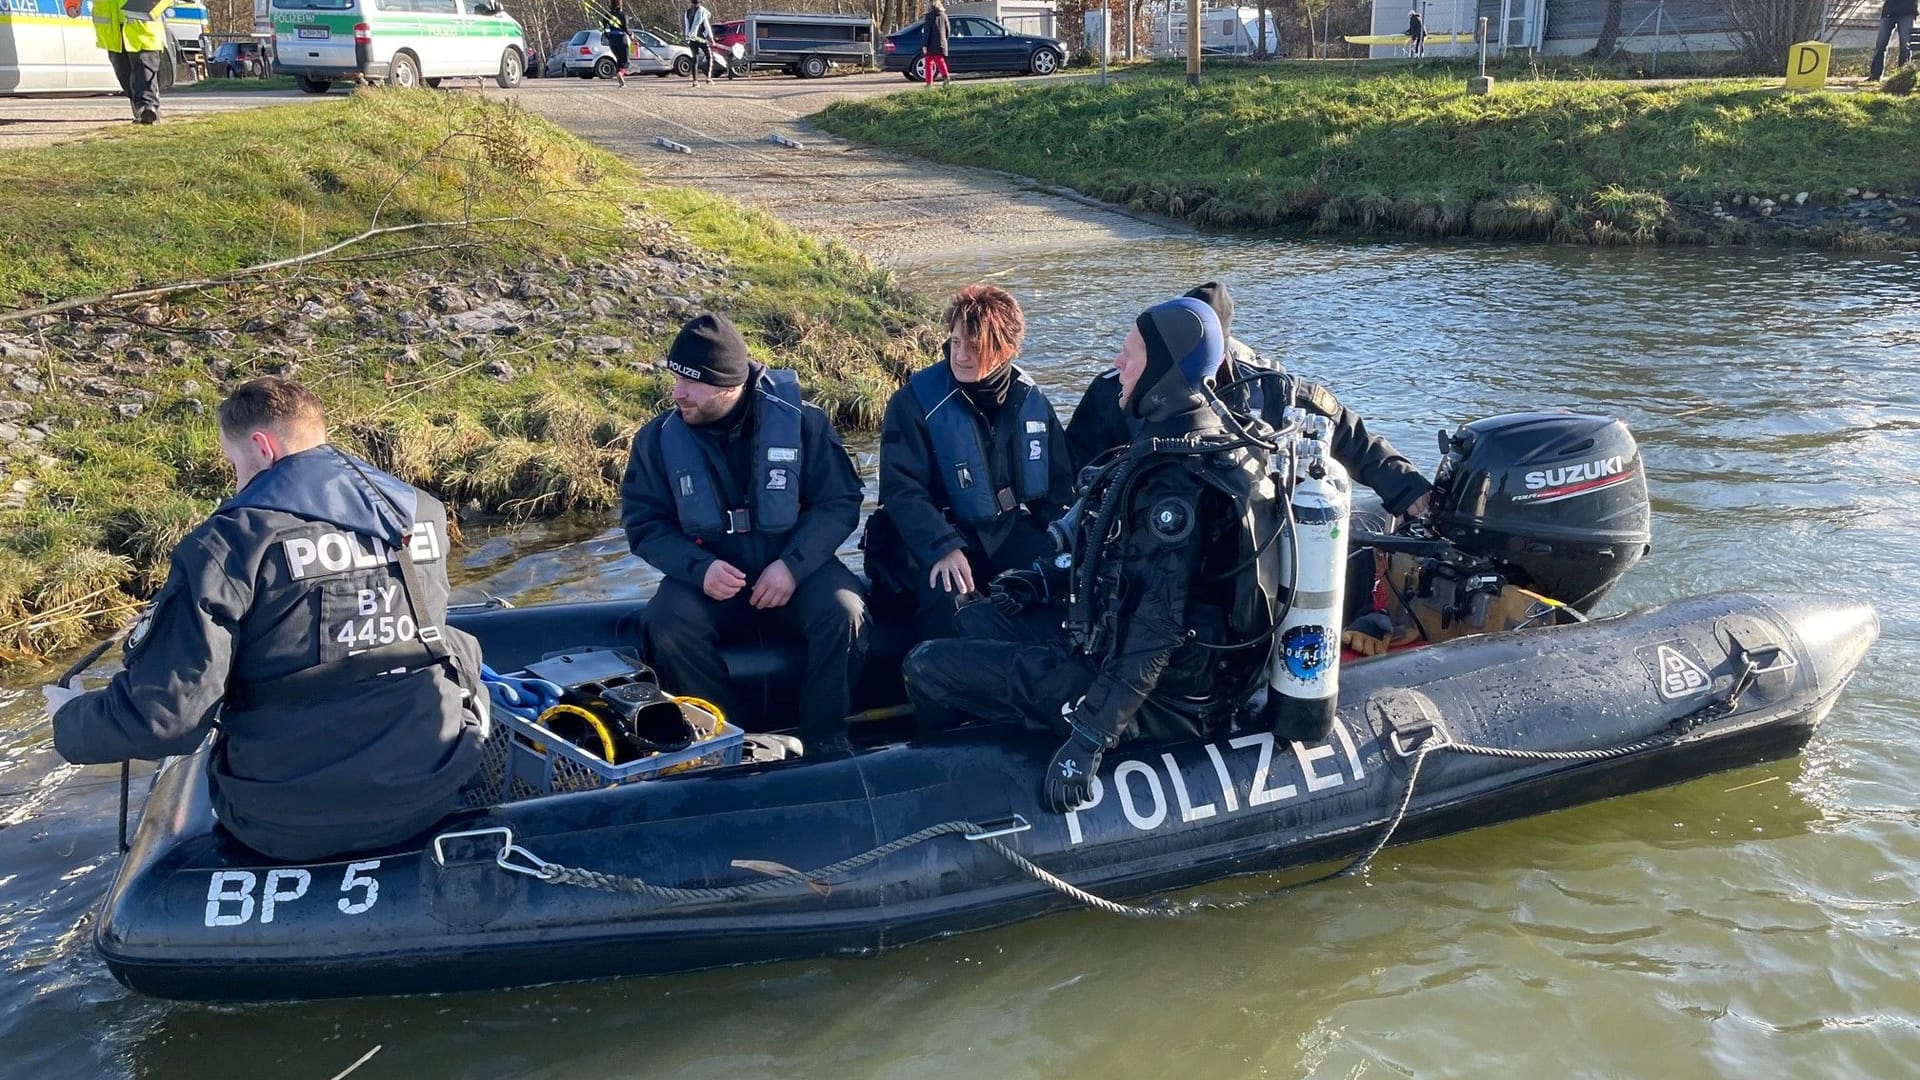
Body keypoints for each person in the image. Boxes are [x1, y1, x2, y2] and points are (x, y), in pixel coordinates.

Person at [45, 378, 488, 861]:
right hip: (434, 786)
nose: (237, 481)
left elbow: (166, 721)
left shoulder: (227, 544)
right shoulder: (421, 511)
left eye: (235, 465)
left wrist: (69, 720)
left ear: (261, 447)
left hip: (286, 821)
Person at [905, 297, 1285, 812]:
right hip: (1116, 650)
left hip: (1165, 700)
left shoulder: (1177, 487)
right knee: (975, 623)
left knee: (928, 666)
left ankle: (962, 789)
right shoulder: (1187, 444)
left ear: (1164, 371)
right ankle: (1013, 732)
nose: (1118, 364)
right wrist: (1045, 581)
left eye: (1131, 354)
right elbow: (1115, 560)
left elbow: (1157, 632)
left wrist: (1088, 741)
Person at [621, 314, 868, 757]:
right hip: (712, 578)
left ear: (727, 387)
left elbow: (840, 502)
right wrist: (700, 569)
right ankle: (725, 745)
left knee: (845, 611)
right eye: (675, 378)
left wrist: (792, 567)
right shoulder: (656, 440)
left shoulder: (802, 423)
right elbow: (645, 525)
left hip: (793, 571)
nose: (677, 393)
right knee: (667, 624)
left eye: (690, 384)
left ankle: (824, 742)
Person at [1065, 281, 1432, 521]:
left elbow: (1350, 437)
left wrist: (1409, 489)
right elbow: (1072, 473)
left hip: (1260, 530)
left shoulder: (1272, 389)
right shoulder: (1119, 388)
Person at [864, 285, 1071, 642]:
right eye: (956, 342)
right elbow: (901, 491)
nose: (960, 356)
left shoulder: (1031, 400)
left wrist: (1065, 546)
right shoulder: (912, 402)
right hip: (932, 536)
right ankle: (941, 685)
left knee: (1064, 578)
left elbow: (1057, 489)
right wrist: (943, 546)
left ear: (1007, 349)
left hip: (1003, 529)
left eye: (975, 347)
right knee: (949, 595)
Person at [67, 0, 164, 124]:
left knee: (144, 68)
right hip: (112, 27)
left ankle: (148, 107)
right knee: (124, 73)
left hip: (141, 23)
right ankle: (142, 110)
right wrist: (72, 3)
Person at [1868, 0, 1915, 81]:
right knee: (1880, 44)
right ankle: (1875, 75)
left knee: (1905, 45)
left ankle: (1903, 76)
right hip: (1889, 11)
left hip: (1907, 11)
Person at [684, 0, 716, 86]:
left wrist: (687, 38)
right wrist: (711, 38)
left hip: (692, 38)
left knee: (695, 59)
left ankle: (695, 81)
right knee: (709, 56)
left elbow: (687, 26)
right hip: (701, 38)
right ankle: (708, 78)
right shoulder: (702, 11)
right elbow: (706, 25)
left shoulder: (687, 12)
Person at [921, 0, 951, 87]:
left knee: (928, 63)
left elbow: (927, 32)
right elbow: (948, 30)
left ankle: (929, 83)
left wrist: (924, 45)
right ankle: (946, 76)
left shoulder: (929, 16)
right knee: (940, 60)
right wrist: (945, 40)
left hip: (930, 43)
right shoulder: (944, 16)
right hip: (941, 42)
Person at [602, 0, 631, 85]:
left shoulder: (607, 15)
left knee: (619, 59)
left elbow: (605, 29)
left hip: (612, 40)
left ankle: (620, 80)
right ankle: (620, 73)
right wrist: (631, 35)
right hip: (621, 38)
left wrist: (609, 37)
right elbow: (626, 28)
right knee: (625, 61)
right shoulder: (623, 15)